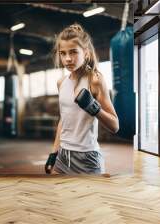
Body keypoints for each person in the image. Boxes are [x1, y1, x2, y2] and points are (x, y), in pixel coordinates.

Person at [45, 24, 119, 175]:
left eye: (73, 52)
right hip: (63, 155)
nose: (67, 59)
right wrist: (53, 153)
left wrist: (93, 107)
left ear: (85, 53)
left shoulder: (95, 80)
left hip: (88, 158)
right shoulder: (61, 82)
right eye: (62, 53)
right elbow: (63, 120)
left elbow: (115, 126)